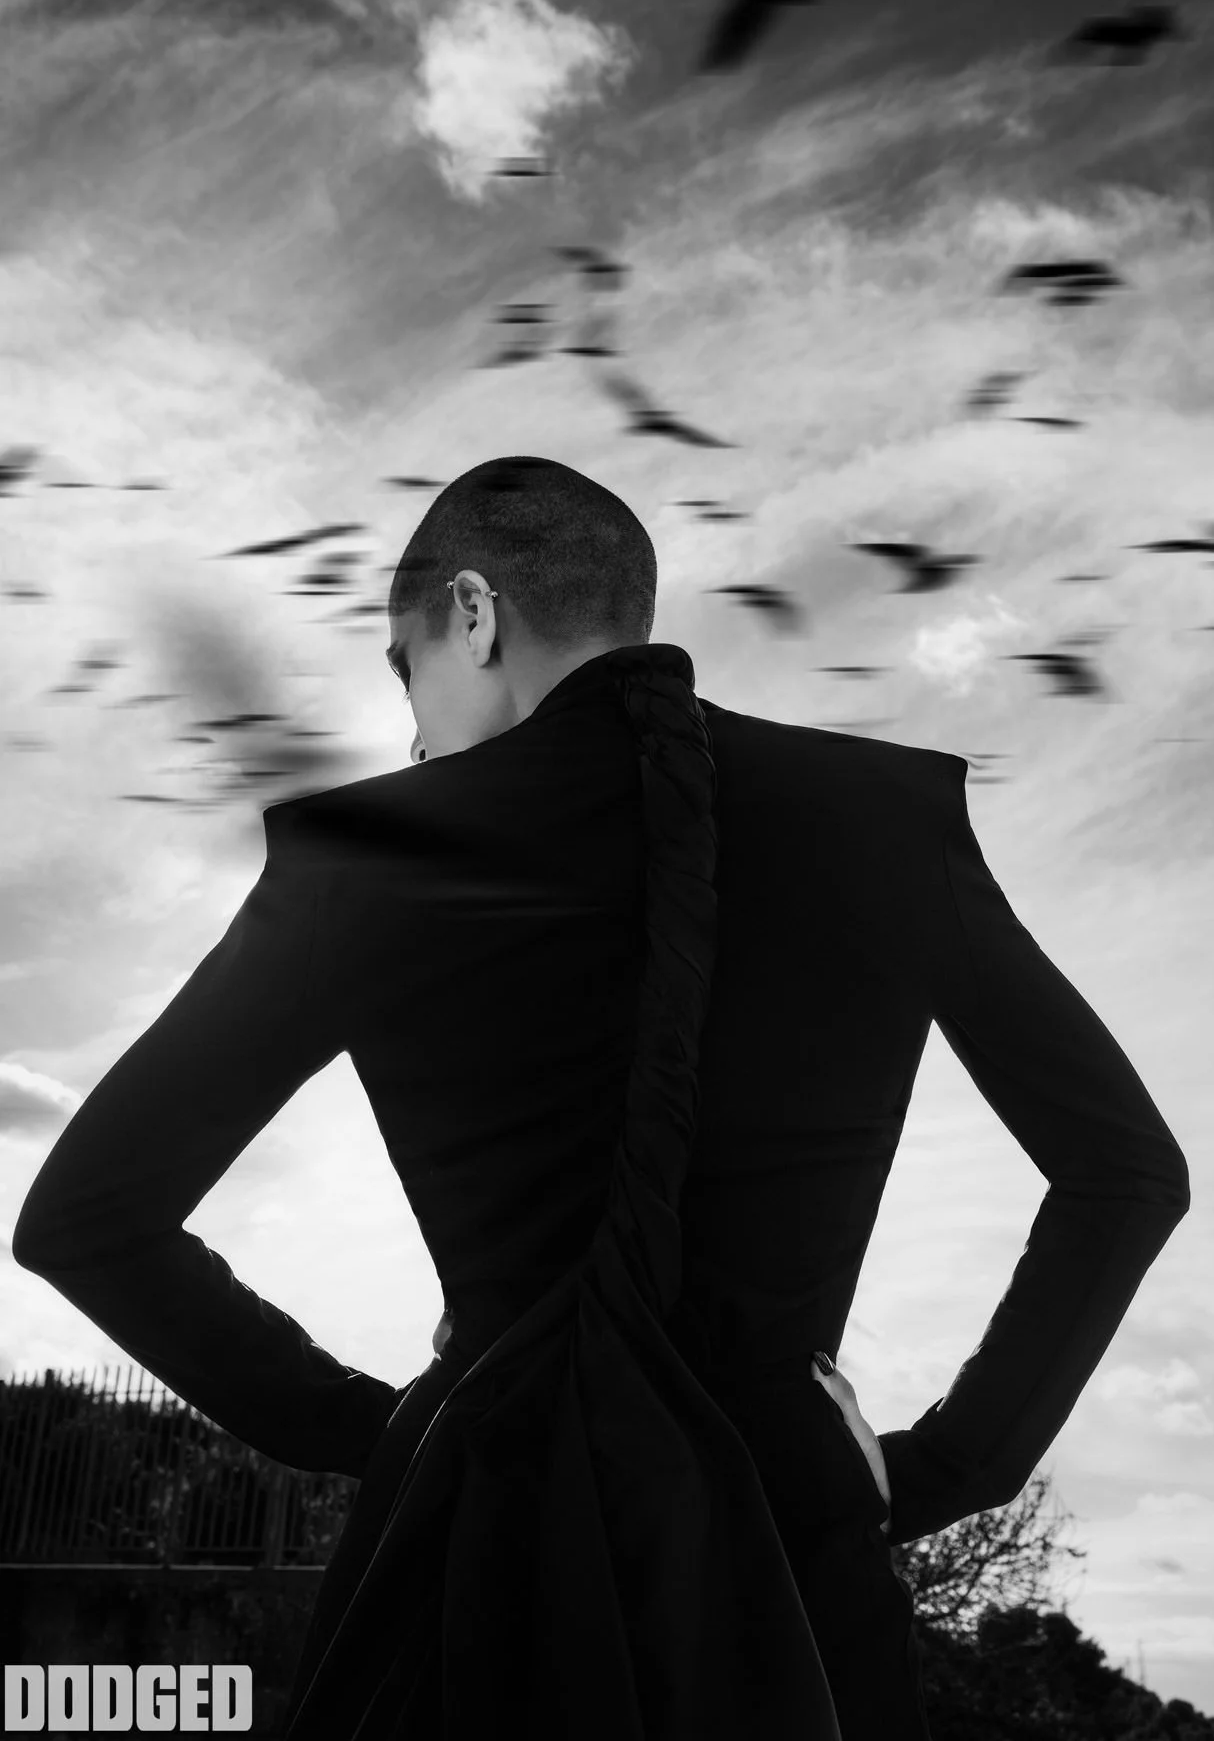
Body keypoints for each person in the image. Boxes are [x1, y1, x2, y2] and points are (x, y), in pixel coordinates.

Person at [12, 456, 1190, 1740]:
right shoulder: (887, 820)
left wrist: (381, 1427)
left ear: (472, 613)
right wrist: (941, 1469)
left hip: (477, 1561)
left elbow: (88, 1222)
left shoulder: (369, 857)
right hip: (792, 1570)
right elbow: (1125, 1175)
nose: (413, 735)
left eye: (406, 670)